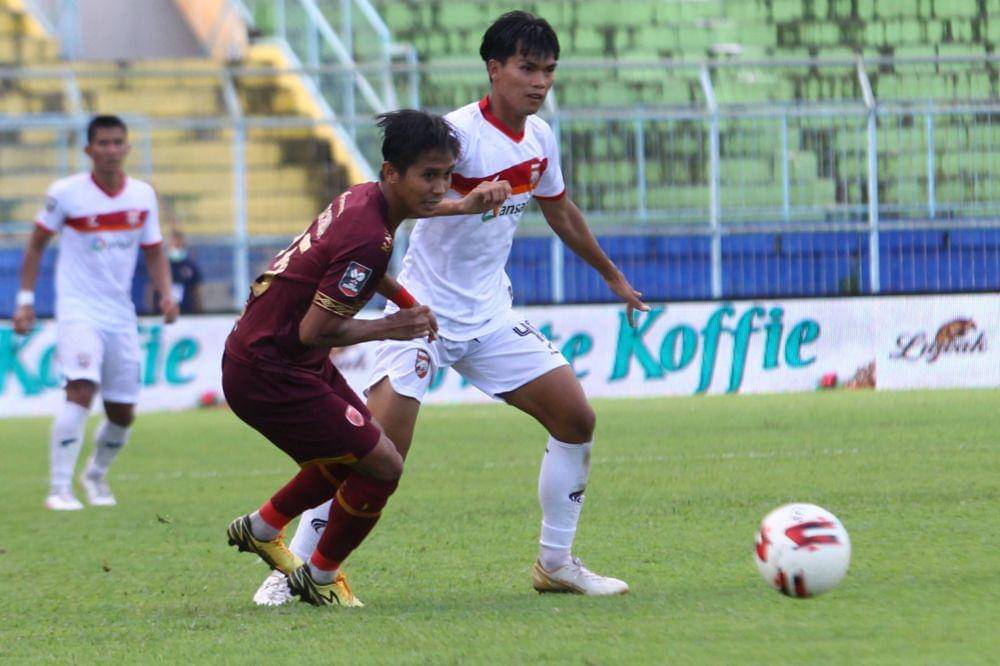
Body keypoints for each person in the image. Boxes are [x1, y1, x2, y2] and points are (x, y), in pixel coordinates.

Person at [253, 11, 649, 605]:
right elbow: (395, 204)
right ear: (494, 69)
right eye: (526, 68)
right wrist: (465, 202)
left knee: (577, 419)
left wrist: (613, 276)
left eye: (548, 70)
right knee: (368, 453)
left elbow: (560, 211)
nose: (539, 82)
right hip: (421, 317)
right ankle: (294, 571)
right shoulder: (455, 136)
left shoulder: (541, 139)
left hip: (489, 316)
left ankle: (556, 564)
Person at [224, 110, 488, 607]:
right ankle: (320, 579)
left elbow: (364, 268)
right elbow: (315, 330)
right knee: (382, 465)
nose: (440, 188)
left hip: (271, 353)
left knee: (358, 452)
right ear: (392, 172)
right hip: (271, 369)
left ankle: (263, 527)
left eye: (446, 176)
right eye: (428, 176)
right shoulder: (371, 237)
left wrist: (408, 302)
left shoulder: (363, 197)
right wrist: (394, 323)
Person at [12, 114, 179, 510]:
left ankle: (95, 475)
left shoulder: (141, 195)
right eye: (102, 143)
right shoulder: (66, 193)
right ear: (89, 149)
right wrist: (25, 300)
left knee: (122, 412)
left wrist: (166, 294)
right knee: (81, 389)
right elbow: (36, 244)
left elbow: (154, 250)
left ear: (127, 148)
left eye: (117, 142)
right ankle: (59, 488)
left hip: (120, 314)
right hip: (77, 309)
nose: (110, 150)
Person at [166, 229, 203, 314]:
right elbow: (152, 288)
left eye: (179, 244)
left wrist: (199, 309)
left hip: (187, 311)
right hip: (166, 312)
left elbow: (197, 289)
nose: (177, 246)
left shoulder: (190, 265)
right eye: (174, 244)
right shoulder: (163, 265)